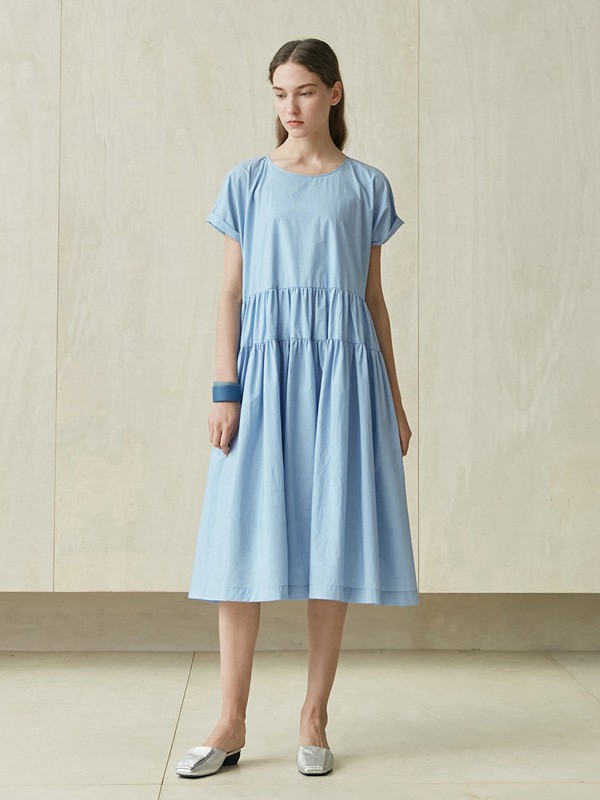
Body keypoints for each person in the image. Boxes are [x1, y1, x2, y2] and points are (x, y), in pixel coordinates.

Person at [176, 38, 419, 780]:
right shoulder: (247, 182)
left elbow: (373, 302)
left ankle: (314, 716)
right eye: (280, 93)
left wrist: (395, 403)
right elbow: (229, 294)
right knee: (239, 543)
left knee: (331, 543)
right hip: (263, 378)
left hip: (345, 381)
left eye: (305, 91)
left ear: (334, 93)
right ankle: (230, 720)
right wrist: (225, 391)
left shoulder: (366, 186)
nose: (291, 107)